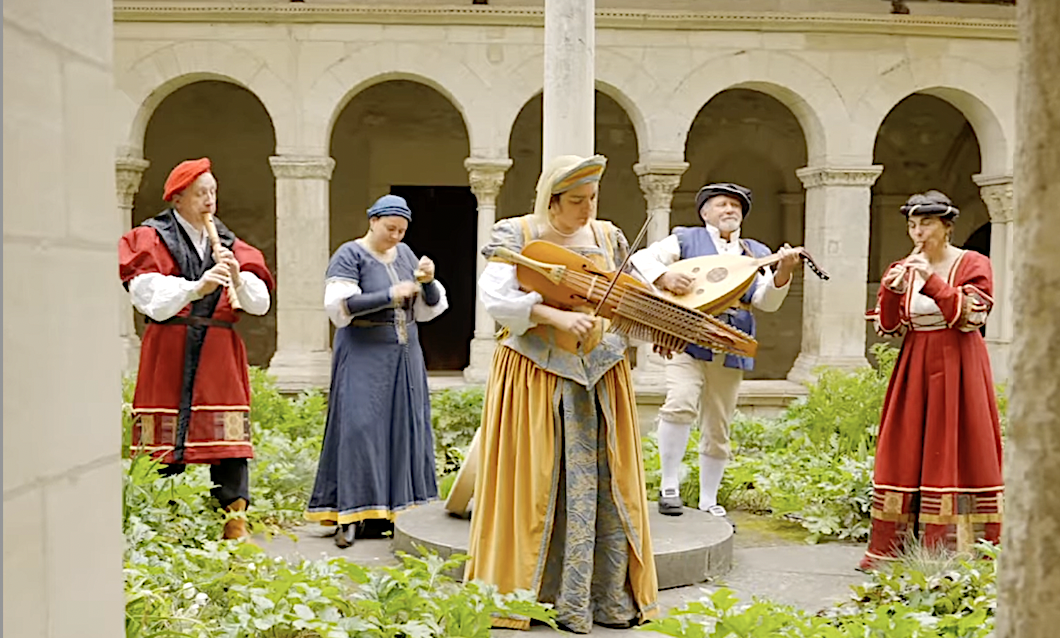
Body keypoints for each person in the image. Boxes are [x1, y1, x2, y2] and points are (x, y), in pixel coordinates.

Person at [466, 155, 658, 633]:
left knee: (605, 483)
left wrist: (662, 300)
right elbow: (495, 298)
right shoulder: (518, 234)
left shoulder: (608, 236)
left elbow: (630, 293)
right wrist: (553, 316)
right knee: (536, 482)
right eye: (576, 201)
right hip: (537, 374)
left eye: (592, 198)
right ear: (551, 200)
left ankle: (604, 597)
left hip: (601, 375)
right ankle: (539, 597)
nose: (586, 209)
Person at [120, 157, 275, 540]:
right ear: (178, 198)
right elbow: (146, 296)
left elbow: (260, 303)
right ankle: (160, 526)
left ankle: (234, 524)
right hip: (170, 343)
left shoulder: (230, 243)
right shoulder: (151, 237)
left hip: (219, 348)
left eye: (213, 191)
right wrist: (196, 287)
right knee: (164, 440)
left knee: (229, 440)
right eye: (201, 193)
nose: (209, 200)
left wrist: (237, 275)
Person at [630, 183, 800, 518]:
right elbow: (642, 259)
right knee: (680, 401)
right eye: (722, 204)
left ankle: (709, 500)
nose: (730, 210)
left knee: (719, 423)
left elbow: (765, 301)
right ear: (705, 211)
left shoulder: (753, 252)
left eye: (736, 206)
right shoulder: (685, 240)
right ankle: (669, 487)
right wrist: (663, 278)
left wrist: (784, 272)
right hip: (686, 338)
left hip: (730, 340)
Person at [860, 190, 1003, 570]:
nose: (917, 231)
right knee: (904, 445)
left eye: (926, 223)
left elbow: (973, 317)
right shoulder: (904, 265)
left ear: (947, 227)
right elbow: (889, 326)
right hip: (915, 362)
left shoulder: (973, 263)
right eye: (912, 224)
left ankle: (958, 547)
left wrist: (932, 282)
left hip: (959, 362)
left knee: (955, 444)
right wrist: (891, 291)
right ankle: (894, 547)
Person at [305, 195, 448, 548]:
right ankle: (350, 516)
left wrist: (428, 281)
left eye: (401, 230)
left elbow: (432, 307)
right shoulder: (350, 255)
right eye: (390, 228)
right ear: (373, 221)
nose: (396, 236)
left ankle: (397, 515)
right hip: (363, 352)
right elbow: (340, 306)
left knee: (404, 428)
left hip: (405, 355)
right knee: (359, 428)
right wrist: (389, 293)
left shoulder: (407, 254)